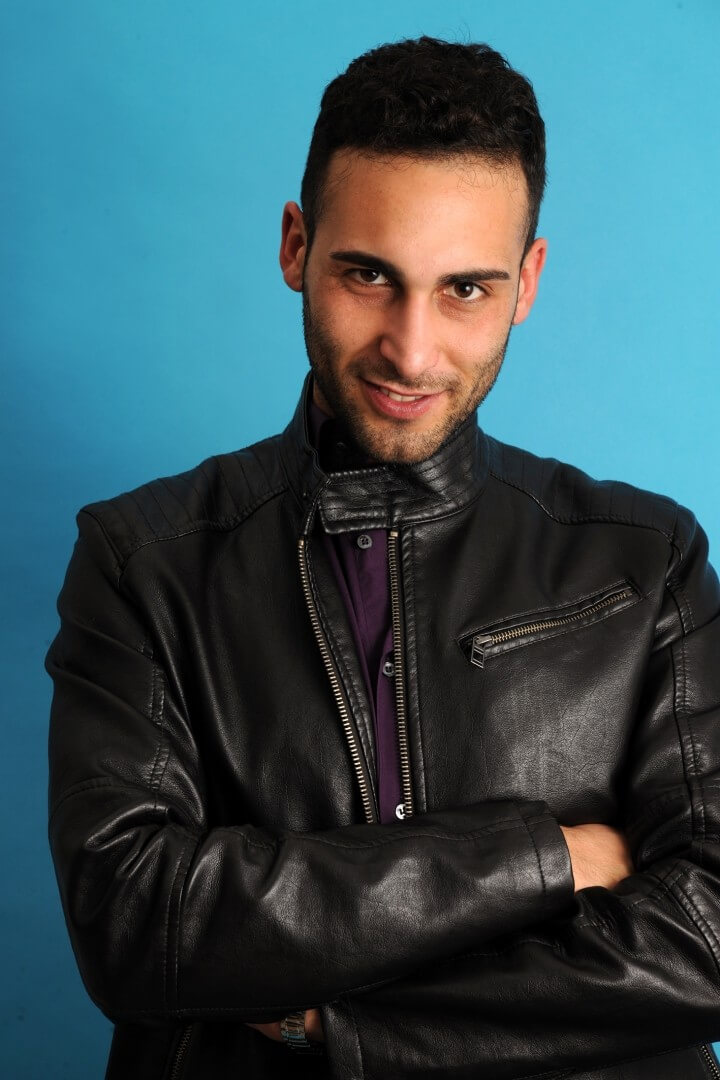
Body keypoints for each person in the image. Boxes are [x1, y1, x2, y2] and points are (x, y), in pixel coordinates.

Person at [46, 36, 720, 1080]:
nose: (411, 350)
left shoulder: (648, 559)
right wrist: (538, 856)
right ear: (295, 247)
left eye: (466, 290)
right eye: (369, 275)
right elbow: (136, 925)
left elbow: (708, 936)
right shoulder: (144, 560)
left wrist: (341, 1027)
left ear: (527, 282)